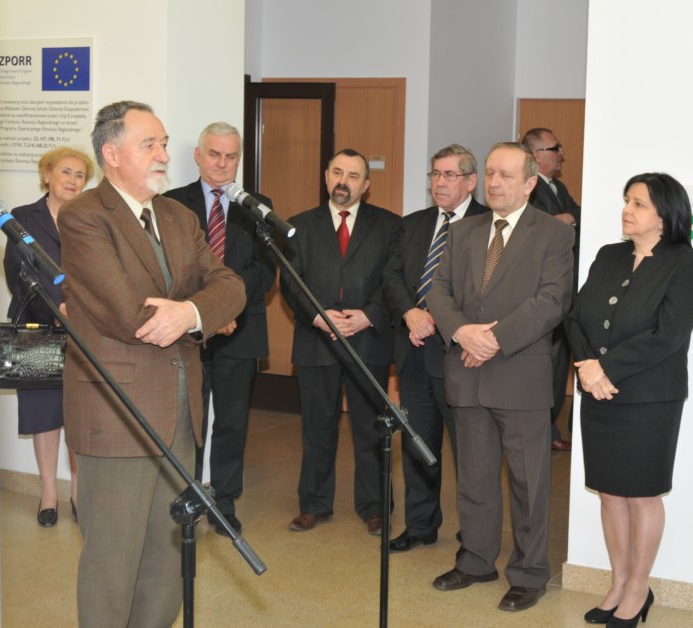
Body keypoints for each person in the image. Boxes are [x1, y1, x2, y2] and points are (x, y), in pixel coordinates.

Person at [58, 100, 246, 627]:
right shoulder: (85, 215)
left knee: (166, 564)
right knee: (112, 564)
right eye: (150, 144)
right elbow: (126, 313)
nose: (163, 154)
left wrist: (189, 312)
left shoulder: (178, 216)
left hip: (179, 413)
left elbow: (231, 285)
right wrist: (199, 314)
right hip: (117, 414)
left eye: (163, 143)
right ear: (112, 154)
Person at [427, 142, 574, 612]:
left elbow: (552, 300)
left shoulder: (553, 233)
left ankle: (529, 573)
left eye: (506, 175)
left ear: (530, 183)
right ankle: (475, 560)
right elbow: (438, 292)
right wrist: (462, 332)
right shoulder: (462, 231)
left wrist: (492, 339)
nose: (494, 182)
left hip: (520, 373)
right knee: (474, 477)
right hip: (467, 373)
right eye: (490, 173)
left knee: (529, 483)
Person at [564, 173, 693, 627]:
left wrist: (605, 369)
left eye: (639, 203)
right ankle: (619, 582)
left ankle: (639, 588)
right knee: (609, 494)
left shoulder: (686, 263)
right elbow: (574, 317)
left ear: (666, 215)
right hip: (599, 393)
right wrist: (587, 366)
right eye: (627, 201)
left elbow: (669, 335)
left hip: (650, 399)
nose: (627, 210)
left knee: (642, 495)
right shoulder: (609, 255)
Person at [280, 148, 401, 535]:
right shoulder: (299, 226)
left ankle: (375, 507)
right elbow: (291, 283)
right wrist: (319, 316)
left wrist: (369, 315)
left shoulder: (390, 226)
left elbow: (395, 281)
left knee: (370, 429)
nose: (343, 181)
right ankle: (313, 504)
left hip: (368, 341)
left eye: (353, 175)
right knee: (317, 429)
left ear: (366, 185)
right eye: (337, 172)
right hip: (317, 340)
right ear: (326, 176)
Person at [165, 122, 276, 536]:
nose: (222, 163)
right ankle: (190, 495)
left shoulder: (257, 206)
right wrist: (207, 310)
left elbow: (264, 271)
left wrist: (227, 305)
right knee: (188, 422)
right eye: (214, 154)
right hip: (189, 332)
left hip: (240, 330)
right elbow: (171, 270)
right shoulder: (172, 204)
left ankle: (224, 500)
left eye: (231, 156)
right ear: (198, 155)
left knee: (231, 421)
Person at [382, 144, 488, 552]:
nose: (439, 183)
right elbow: (392, 277)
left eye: (449, 175)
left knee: (468, 451)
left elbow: (484, 292)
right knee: (418, 443)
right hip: (413, 354)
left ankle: (474, 532)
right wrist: (410, 312)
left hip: (460, 358)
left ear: (471, 181)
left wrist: (439, 319)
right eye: (435, 175)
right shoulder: (413, 224)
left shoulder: (487, 225)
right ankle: (421, 525)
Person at [2, 146, 93, 527]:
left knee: (78, 413)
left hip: (83, 330)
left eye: (80, 175)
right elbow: (17, 275)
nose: (72, 180)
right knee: (44, 414)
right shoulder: (23, 218)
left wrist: (78, 309)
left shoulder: (90, 219)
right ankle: (49, 493)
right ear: (47, 176)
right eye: (65, 172)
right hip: (37, 330)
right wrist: (56, 309)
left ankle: (77, 492)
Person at [521, 127, 581, 450]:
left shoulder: (559, 187)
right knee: (547, 365)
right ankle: (543, 432)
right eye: (556, 148)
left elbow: (579, 216)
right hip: (541, 290)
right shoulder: (529, 188)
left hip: (565, 287)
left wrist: (566, 216)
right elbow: (538, 228)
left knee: (559, 365)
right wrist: (563, 220)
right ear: (536, 155)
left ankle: (551, 431)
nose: (562, 154)